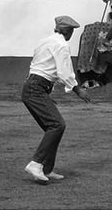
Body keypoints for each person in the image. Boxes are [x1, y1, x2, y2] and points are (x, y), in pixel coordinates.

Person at [22, 15, 91, 184]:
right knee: (57, 125)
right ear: (67, 31)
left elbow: (41, 67)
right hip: (37, 89)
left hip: (31, 87)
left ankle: (46, 169)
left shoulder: (44, 42)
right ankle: (36, 164)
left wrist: (46, 94)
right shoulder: (61, 45)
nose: (72, 34)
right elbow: (64, 72)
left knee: (52, 128)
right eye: (72, 31)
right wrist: (77, 89)